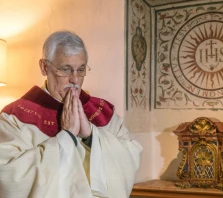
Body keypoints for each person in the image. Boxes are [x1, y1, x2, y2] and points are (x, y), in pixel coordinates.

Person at [0, 30, 143, 198]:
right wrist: (66, 138)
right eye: (66, 69)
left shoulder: (102, 112)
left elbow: (131, 155)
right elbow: (8, 175)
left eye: (81, 70)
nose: (75, 80)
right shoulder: (14, 117)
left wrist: (91, 135)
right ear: (44, 67)